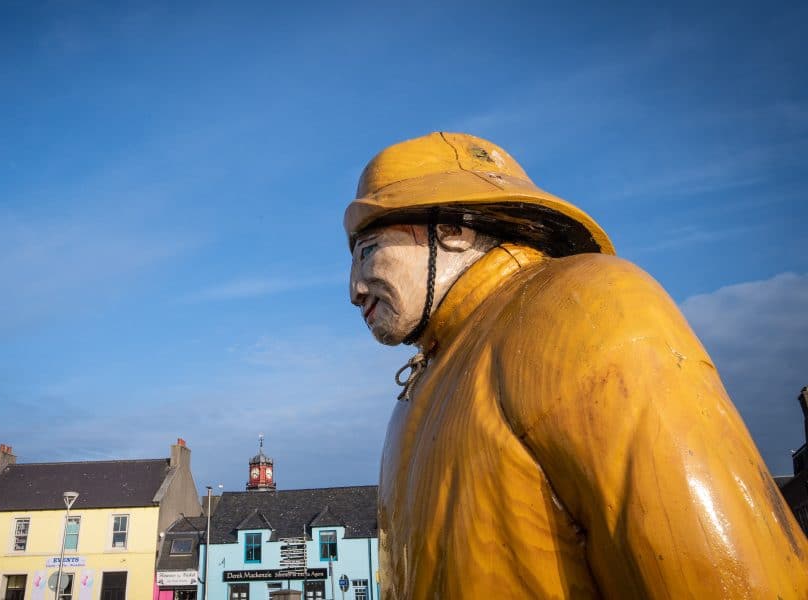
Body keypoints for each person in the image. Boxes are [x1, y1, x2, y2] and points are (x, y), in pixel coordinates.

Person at [345, 132, 808, 598]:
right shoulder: (412, 401)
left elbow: (724, 575)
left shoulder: (586, 304)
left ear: (454, 229)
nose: (354, 290)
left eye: (368, 251)